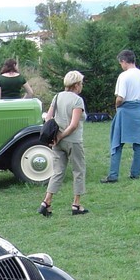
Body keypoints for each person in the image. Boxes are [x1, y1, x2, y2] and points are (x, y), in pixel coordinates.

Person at [37, 71, 88, 217]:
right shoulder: (77, 100)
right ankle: (76, 204)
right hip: (73, 141)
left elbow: (48, 117)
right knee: (78, 170)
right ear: (76, 84)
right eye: (81, 84)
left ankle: (46, 202)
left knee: (58, 171)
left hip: (57, 142)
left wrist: (53, 137)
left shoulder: (57, 96)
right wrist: (61, 136)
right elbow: (73, 125)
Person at [101, 50, 140, 184]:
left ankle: (113, 175)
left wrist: (117, 106)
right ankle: (135, 173)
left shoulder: (124, 76)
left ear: (124, 61)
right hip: (138, 110)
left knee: (117, 143)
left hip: (125, 110)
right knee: (138, 144)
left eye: (121, 63)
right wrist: (138, 103)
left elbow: (120, 97)